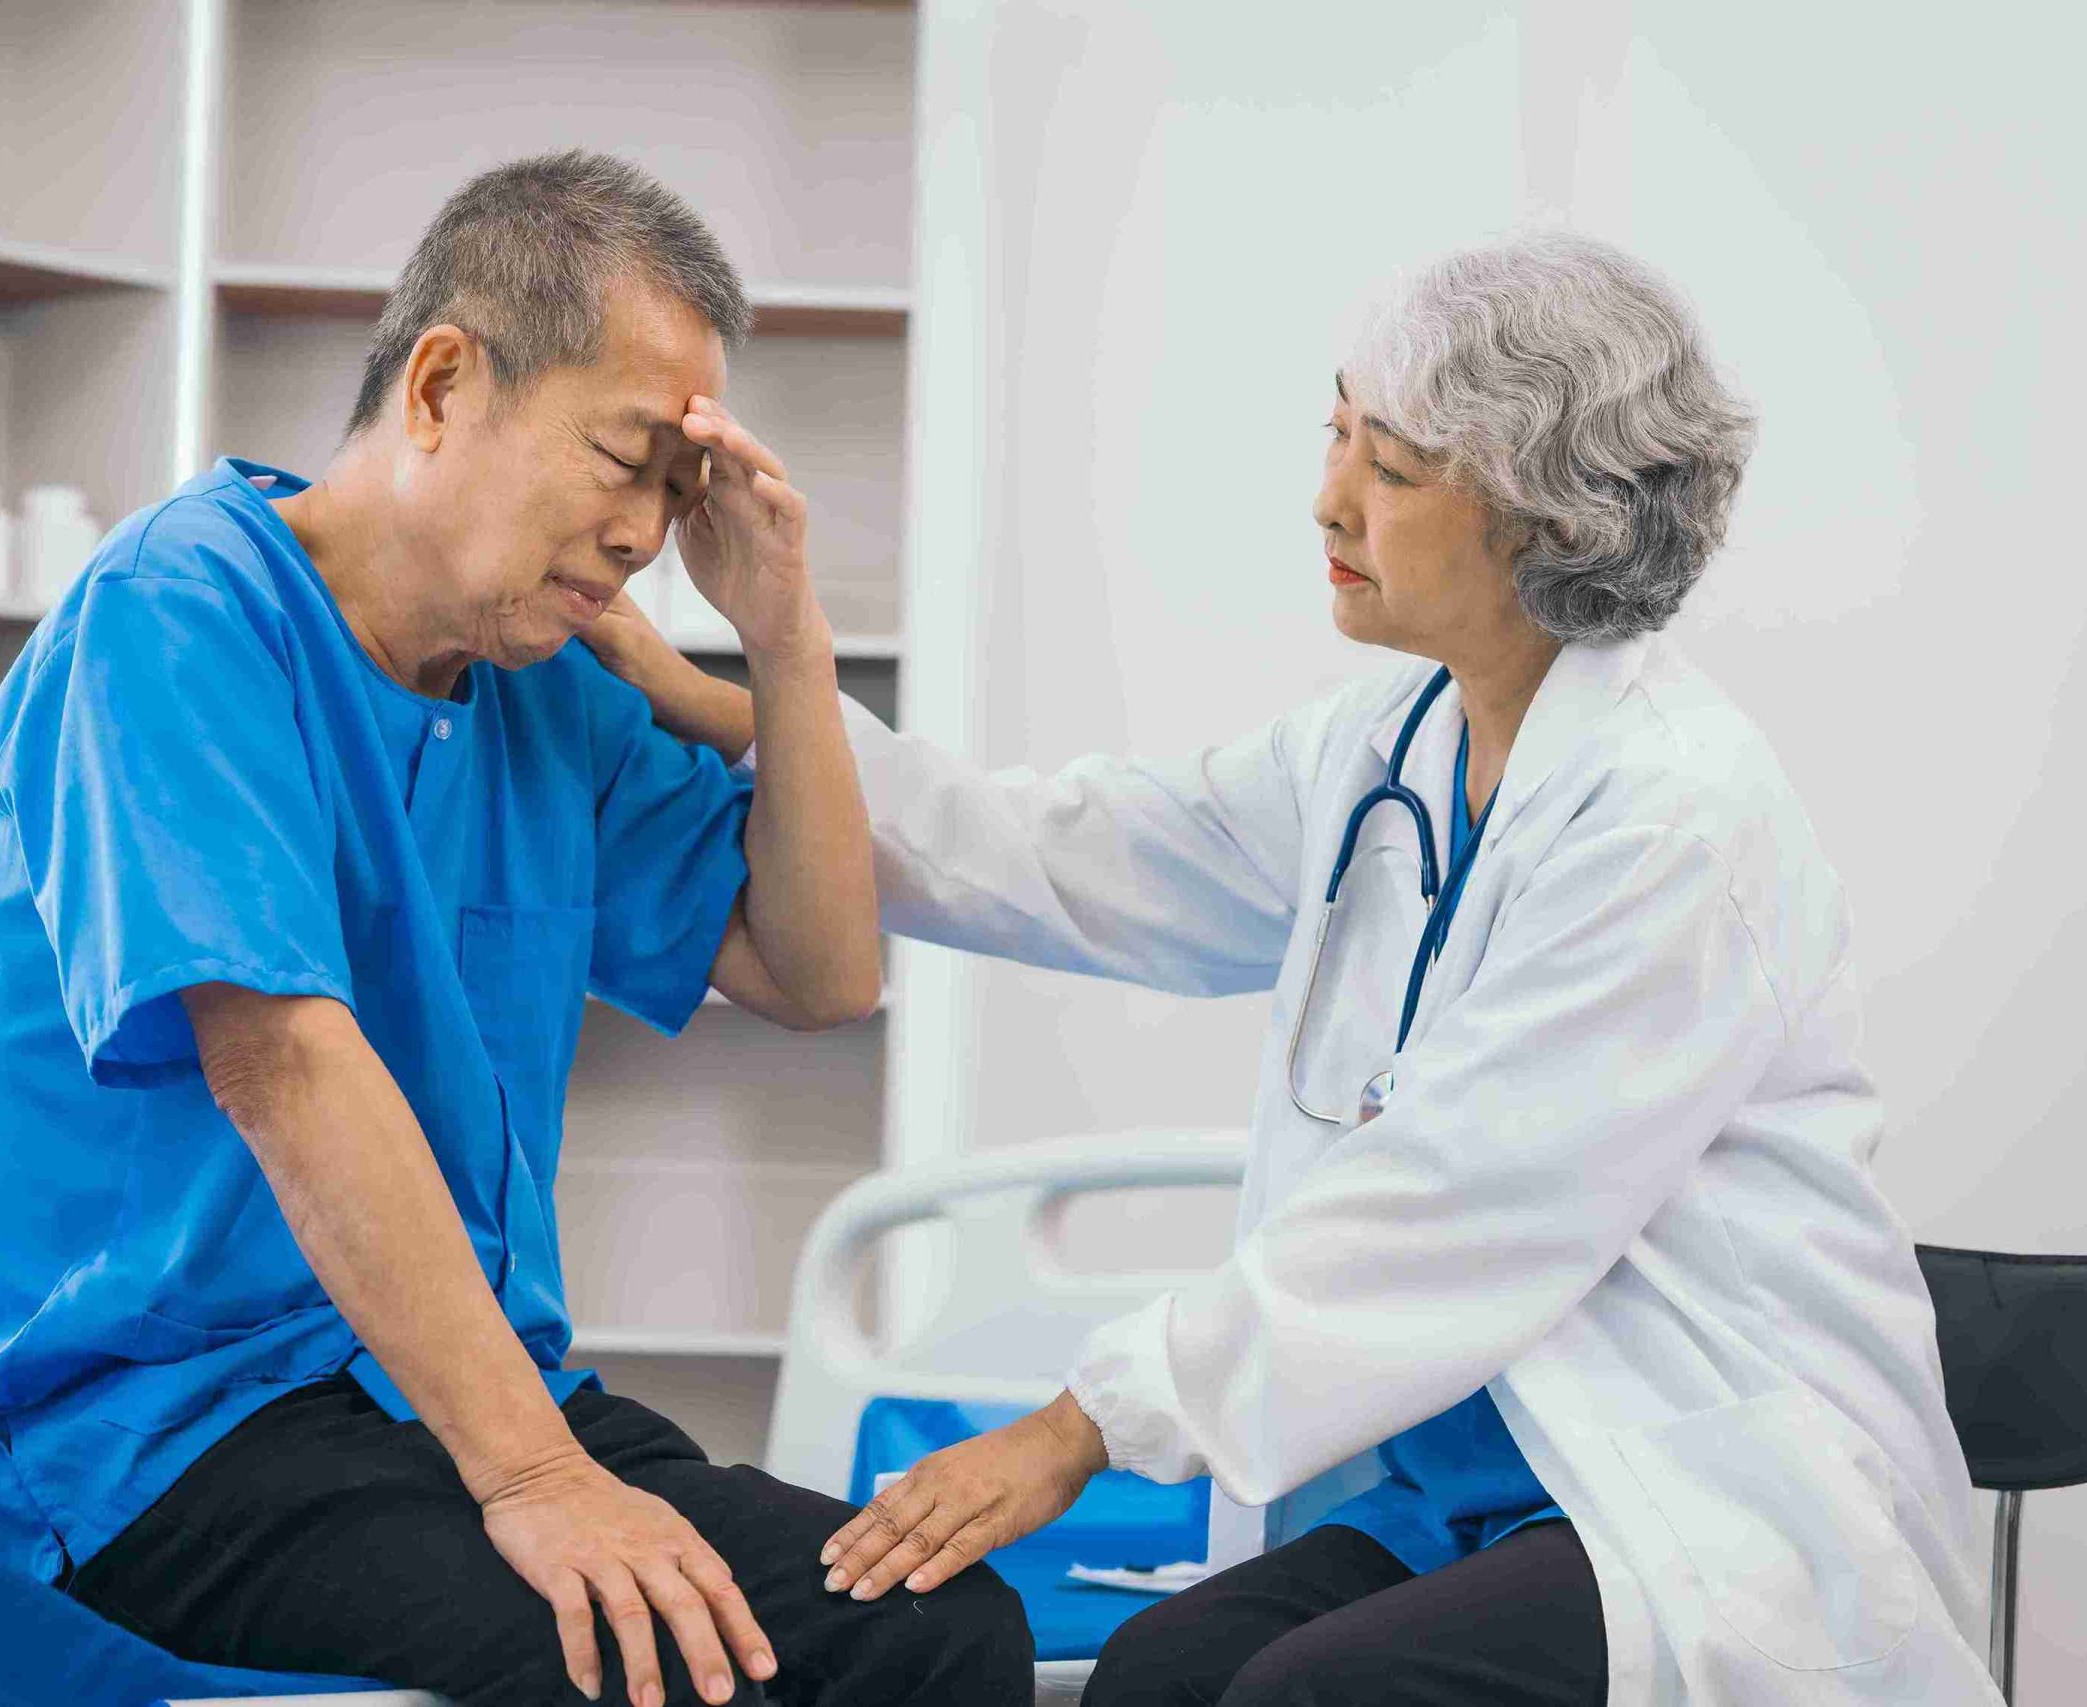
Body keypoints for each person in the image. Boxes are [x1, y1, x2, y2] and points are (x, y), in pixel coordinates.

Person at [586, 232, 2001, 1704]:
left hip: (1682, 1485)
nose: (1329, 499)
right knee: (1159, 1679)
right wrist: (747, 701)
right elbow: (1063, 852)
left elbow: (1451, 1206)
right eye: (1339, 434)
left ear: (1541, 519)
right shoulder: (1385, 750)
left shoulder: (1678, 823)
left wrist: (1079, 1427)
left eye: (1389, 470)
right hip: (1475, 1492)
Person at [0, 151, 1033, 1707]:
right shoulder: (177, 617)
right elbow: (287, 1069)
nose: (646, 534)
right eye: (623, 461)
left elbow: (820, 969)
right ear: (443, 385)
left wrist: (785, 638)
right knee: (652, 1673)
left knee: (933, 1630)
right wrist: (536, 1482)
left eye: (676, 491)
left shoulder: (540, 689)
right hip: (163, 1445)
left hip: (448, 1406)